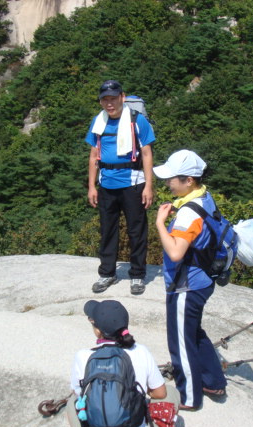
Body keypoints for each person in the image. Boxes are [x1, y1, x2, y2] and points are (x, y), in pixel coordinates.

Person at [67, 299, 180, 427]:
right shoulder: (140, 351)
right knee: (172, 393)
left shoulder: (82, 357)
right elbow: (160, 393)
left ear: (97, 330)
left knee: (71, 403)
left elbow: (78, 394)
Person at [153, 150, 228, 411]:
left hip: (187, 285)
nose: (167, 183)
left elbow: (175, 252)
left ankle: (188, 397)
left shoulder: (188, 213)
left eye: (171, 179)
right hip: (203, 279)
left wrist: (161, 224)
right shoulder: (204, 198)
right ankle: (213, 381)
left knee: (180, 342)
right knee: (194, 333)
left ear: (188, 180)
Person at [85, 80, 155, 295]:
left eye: (113, 98)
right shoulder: (98, 122)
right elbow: (94, 156)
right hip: (106, 184)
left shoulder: (137, 121)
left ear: (122, 97)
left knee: (137, 231)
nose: (109, 103)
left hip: (133, 183)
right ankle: (107, 273)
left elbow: (146, 153)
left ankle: (137, 275)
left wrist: (149, 187)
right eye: (105, 99)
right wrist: (91, 186)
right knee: (107, 230)